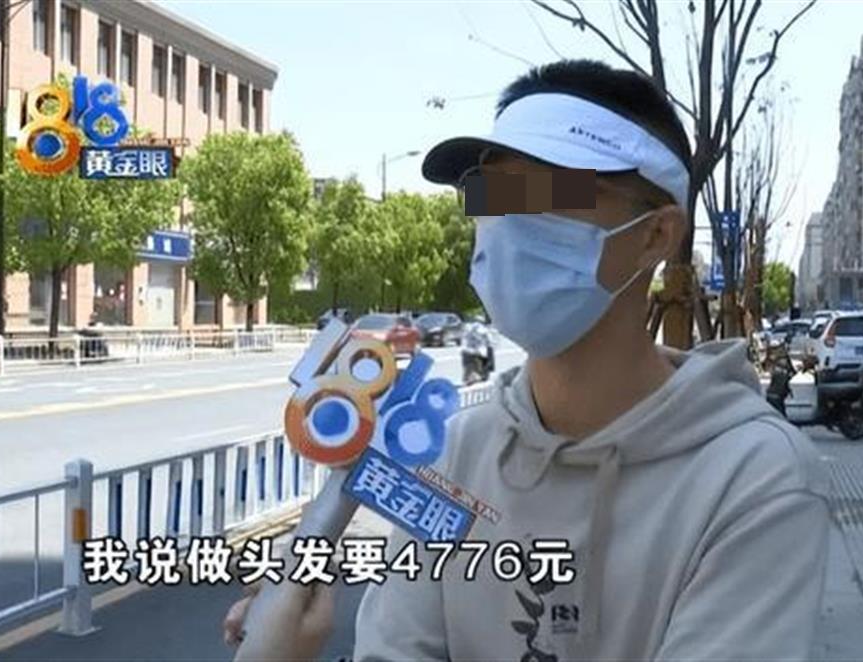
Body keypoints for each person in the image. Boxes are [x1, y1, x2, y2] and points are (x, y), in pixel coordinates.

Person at [224, 59, 830, 660]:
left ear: (655, 235)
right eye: (491, 197)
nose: (506, 227)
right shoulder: (451, 458)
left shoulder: (754, 480)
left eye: (550, 196)